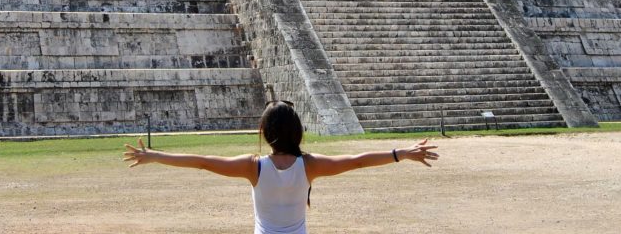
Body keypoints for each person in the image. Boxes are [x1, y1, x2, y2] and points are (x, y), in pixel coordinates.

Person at [122, 100, 439, 234]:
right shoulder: (309, 165)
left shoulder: (254, 167)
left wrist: (154, 155)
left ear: (265, 133)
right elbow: (358, 161)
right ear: (297, 131)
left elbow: (203, 163)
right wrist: (402, 153)